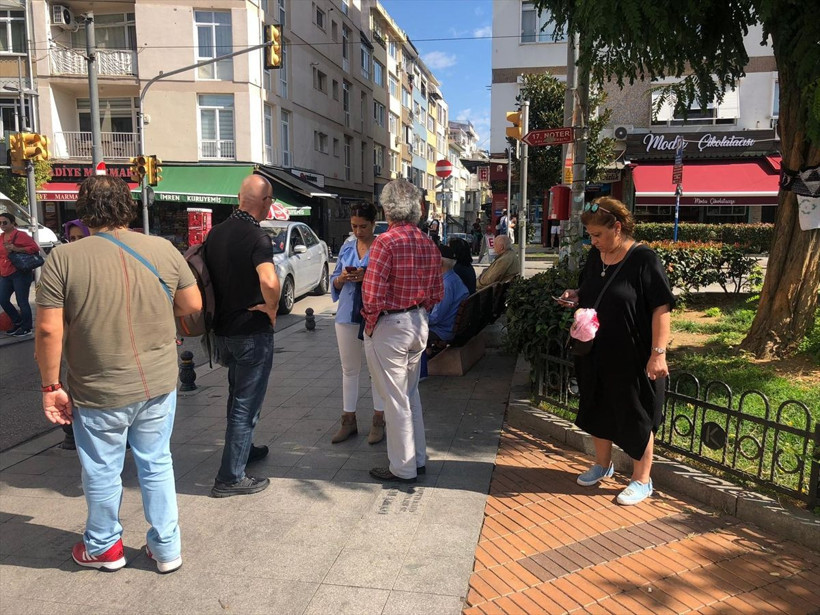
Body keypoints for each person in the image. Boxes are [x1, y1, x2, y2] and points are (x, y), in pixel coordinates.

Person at [34, 175, 202, 572]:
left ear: (83, 209)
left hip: (98, 385)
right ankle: (166, 549)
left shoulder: (64, 258)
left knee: (102, 467)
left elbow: (46, 329)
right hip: (157, 380)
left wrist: (50, 386)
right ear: (126, 207)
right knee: (157, 461)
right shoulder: (162, 248)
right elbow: (191, 302)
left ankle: (105, 546)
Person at [557, 196, 674, 506]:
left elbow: (661, 308)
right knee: (596, 405)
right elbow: (588, 290)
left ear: (617, 227)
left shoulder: (643, 259)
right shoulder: (597, 258)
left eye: (597, 234)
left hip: (631, 355)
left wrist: (658, 352)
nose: (593, 241)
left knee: (635, 413)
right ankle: (603, 464)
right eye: (590, 235)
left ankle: (641, 479)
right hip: (594, 350)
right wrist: (574, 295)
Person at [205, 174, 281, 498]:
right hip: (251, 332)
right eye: (271, 200)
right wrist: (272, 308)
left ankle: (243, 451)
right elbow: (270, 280)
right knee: (245, 405)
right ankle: (230, 477)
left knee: (236, 396)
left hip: (222, 333)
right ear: (263, 202)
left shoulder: (216, 233)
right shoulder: (257, 237)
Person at [362, 179, 443, 483]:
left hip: (392, 324)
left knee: (396, 401)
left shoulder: (385, 242)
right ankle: (417, 459)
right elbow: (437, 292)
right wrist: (419, 312)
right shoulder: (427, 242)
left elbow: (371, 295)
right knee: (410, 395)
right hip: (418, 322)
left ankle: (403, 467)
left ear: (387, 209)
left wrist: (371, 326)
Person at [329, 202, 386, 444]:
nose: (358, 231)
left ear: (374, 224)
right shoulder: (347, 247)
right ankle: (348, 419)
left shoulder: (382, 247)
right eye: (354, 226)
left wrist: (368, 276)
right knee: (349, 370)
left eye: (363, 226)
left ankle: (378, 420)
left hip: (374, 315)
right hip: (346, 313)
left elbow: (388, 280)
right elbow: (334, 281)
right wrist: (342, 278)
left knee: (376, 371)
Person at [56, 219, 92, 451]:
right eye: (72, 239)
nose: (76, 243)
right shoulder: (64, 267)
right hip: (79, 349)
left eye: (81, 238)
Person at [0, 212, 40, 338]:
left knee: (21, 301)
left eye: (5, 222)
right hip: (5, 272)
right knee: (3, 299)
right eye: (0, 223)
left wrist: (16, 248)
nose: (2, 225)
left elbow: (35, 248)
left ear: (13, 223)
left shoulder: (20, 235)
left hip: (20, 272)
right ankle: (17, 321)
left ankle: (26, 327)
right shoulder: (1, 237)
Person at [427, 243, 469, 350]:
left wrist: (416, 318)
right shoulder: (454, 279)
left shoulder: (446, 285)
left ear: (439, 262)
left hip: (441, 331)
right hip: (448, 326)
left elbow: (435, 318)